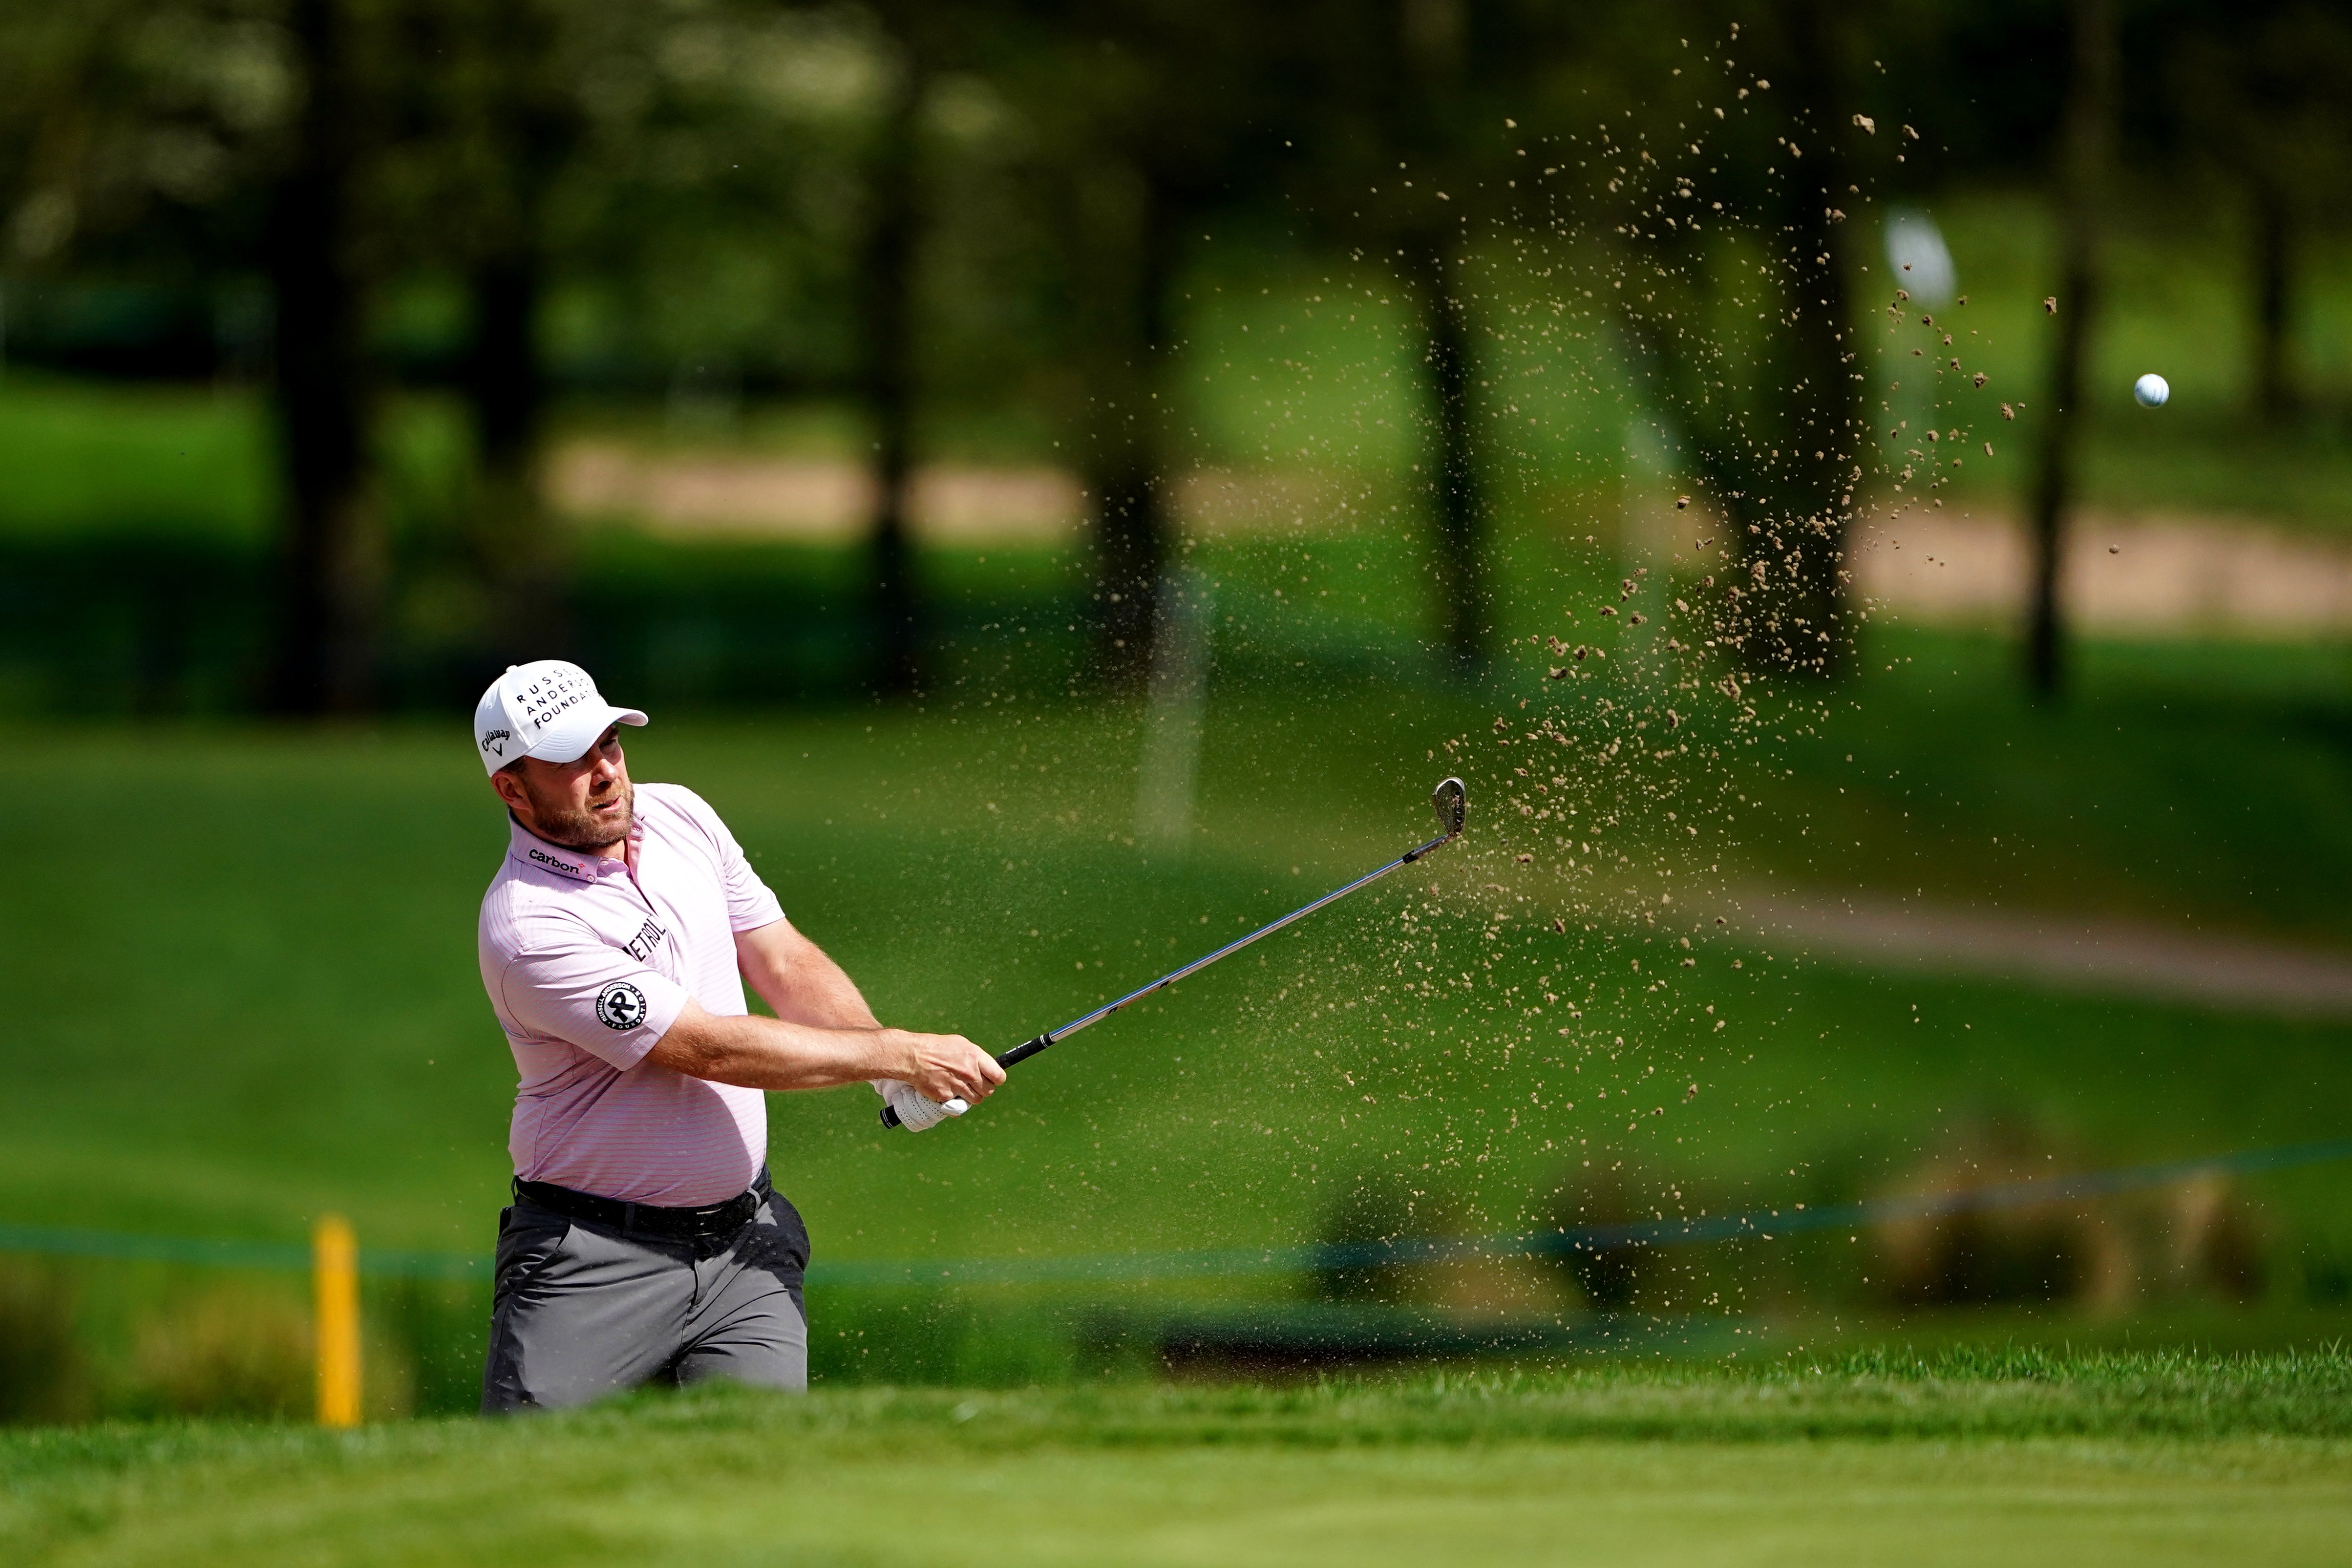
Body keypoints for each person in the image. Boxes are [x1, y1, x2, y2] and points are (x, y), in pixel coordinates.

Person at [470, 659, 1002, 1411]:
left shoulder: (681, 815)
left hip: (744, 1250)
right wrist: (903, 1053)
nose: (604, 772)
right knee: (527, 1491)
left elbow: (779, 958)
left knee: (764, 1477)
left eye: (609, 744)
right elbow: (709, 1048)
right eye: (569, 760)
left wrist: (884, 1066)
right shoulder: (529, 925)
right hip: (592, 1260)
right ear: (512, 787)